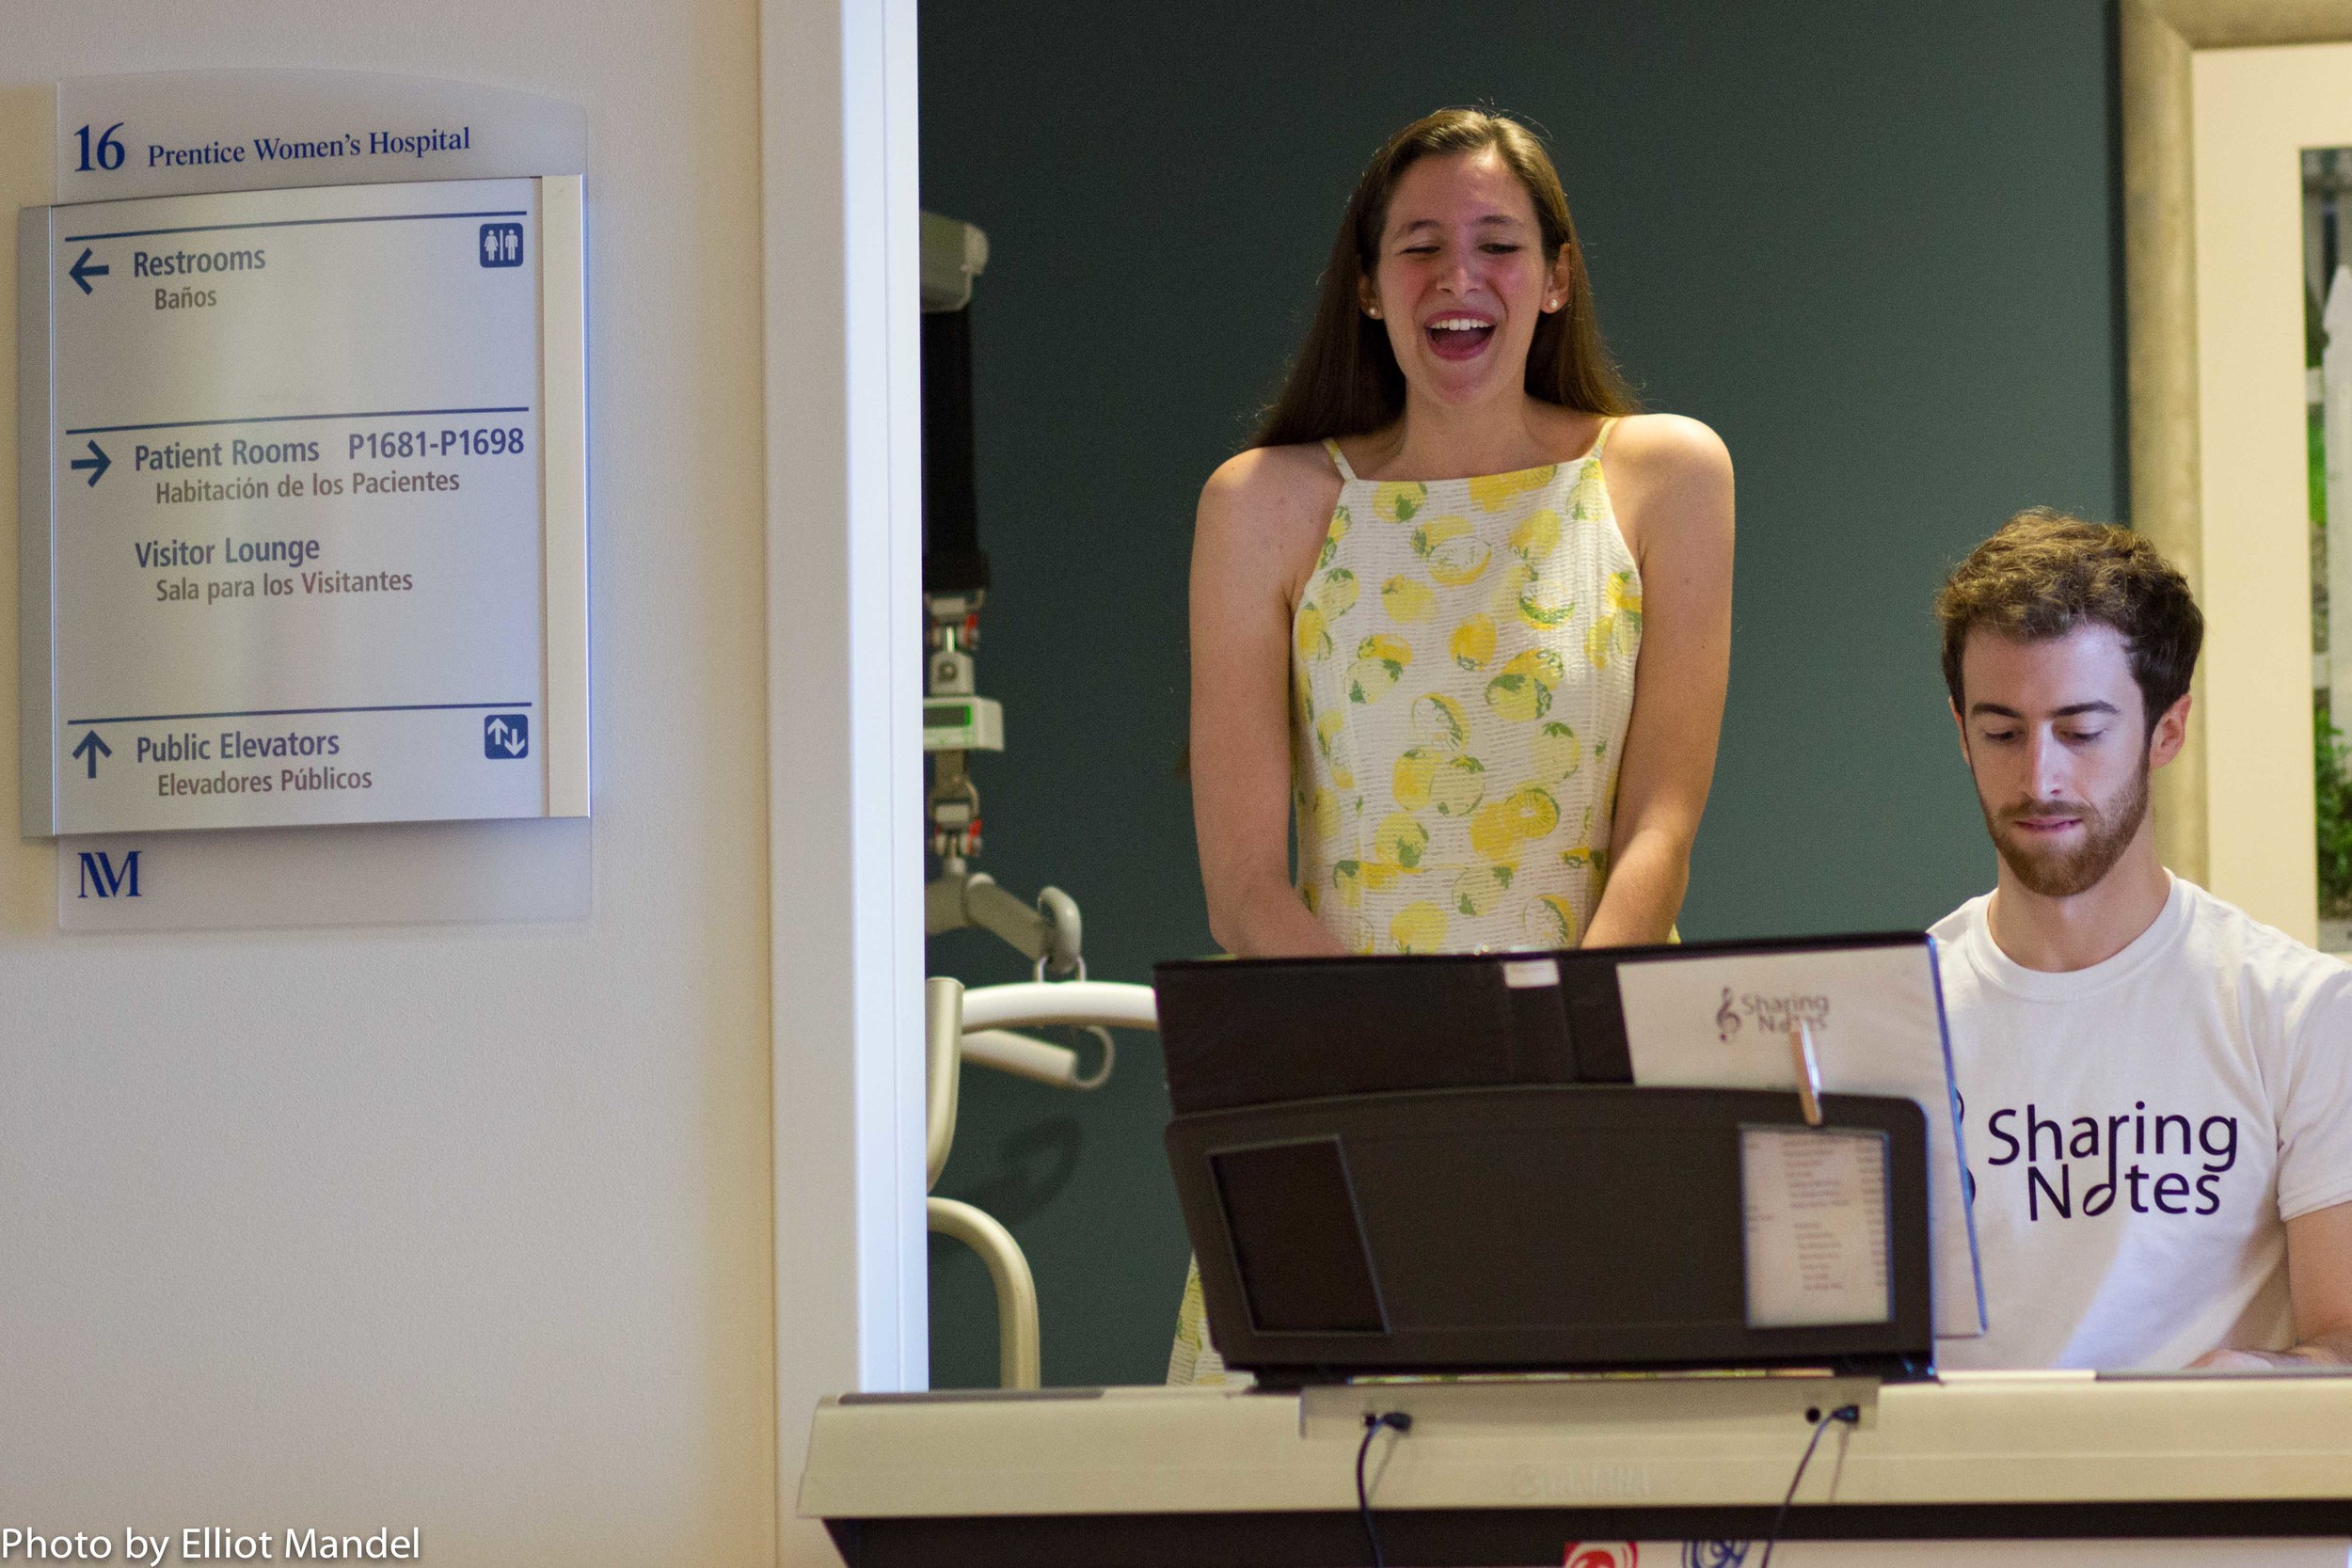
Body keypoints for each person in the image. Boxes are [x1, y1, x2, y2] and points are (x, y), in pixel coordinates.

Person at [1171, 107, 1734, 1381]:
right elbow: (1246, 882)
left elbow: (1662, 818)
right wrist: (1410, 1068)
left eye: (1496, 241)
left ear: (1557, 275)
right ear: (1368, 288)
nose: (1458, 276)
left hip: (1592, 1072)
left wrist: (1564, 1053)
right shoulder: (1263, 505)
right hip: (1342, 1084)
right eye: (1418, 246)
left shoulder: (1665, 476)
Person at [1930, 510, 2352, 1370]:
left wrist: (2260, 1379)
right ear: (1961, 734)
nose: (2040, 775)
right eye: (2001, 732)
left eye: (2082, 732)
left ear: (2167, 730)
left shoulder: (2298, 1012)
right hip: (1948, 1497)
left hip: (2199, 1495)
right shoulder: (1890, 1011)